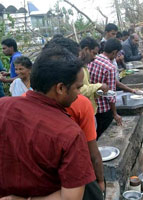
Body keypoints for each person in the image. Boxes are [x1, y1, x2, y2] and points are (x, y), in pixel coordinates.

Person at [0, 47, 95, 199]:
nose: (79, 93)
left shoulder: (3, 105)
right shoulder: (69, 133)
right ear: (61, 88)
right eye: (77, 87)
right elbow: (70, 198)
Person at [43, 36, 106, 198]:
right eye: (77, 87)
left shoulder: (16, 106)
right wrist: (100, 181)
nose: (79, 91)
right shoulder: (80, 104)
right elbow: (92, 154)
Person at [88, 38, 123, 138]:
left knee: (95, 135)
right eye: (117, 54)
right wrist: (115, 114)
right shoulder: (110, 67)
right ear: (114, 52)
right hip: (103, 109)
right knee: (105, 136)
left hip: (92, 106)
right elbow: (110, 94)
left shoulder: (94, 58)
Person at [79, 37, 109, 113]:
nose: (95, 57)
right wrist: (99, 86)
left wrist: (97, 92)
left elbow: (87, 88)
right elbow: (80, 90)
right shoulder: (77, 69)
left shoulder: (85, 66)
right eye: (94, 53)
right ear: (86, 50)